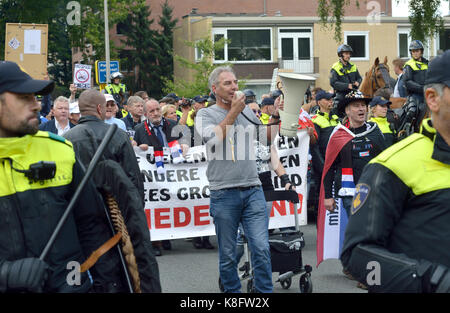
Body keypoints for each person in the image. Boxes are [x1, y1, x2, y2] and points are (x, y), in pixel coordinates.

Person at [0, 61, 129, 293]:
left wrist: (108, 284)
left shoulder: (60, 150)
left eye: (35, 97)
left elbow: (92, 226)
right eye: (23, 98)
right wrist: (5, 274)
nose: (36, 106)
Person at [340, 50, 450, 293]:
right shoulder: (391, 166)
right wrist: (429, 280)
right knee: (410, 109)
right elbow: (357, 257)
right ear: (433, 98)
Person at [63, 89, 161, 292]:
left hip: (83, 220)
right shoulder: (118, 135)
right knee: (126, 272)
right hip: (119, 217)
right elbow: (133, 180)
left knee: (94, 270)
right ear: (100, 108)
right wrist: (135, 217)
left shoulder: (67, 140)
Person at [195, 66, 277, 293]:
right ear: (214, 89)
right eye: (228, 83)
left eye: (235, 82)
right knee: (229, 254)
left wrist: (278, 116)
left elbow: (266, 138)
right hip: (224, 193)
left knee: (261, 248)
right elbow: (213, 140)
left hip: (253, 189)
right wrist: (234, 111)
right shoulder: (205, 114)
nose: (234, 87)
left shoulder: (247, 112)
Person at [134, 98, 188, 256]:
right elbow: (135, 149)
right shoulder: (139, 129)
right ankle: (156, 241)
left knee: (175, 202)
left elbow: (184, 140)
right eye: (151, 111)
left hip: (174, 172)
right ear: (145, 114)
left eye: (157, 109)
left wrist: (184, 146)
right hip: (153, 176)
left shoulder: (172, 125)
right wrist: (137, 147)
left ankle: (169, 236)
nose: (156, 113)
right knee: (155, 205)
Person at [310, 90, 339, 210]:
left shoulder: (337, 118)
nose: (331, 102)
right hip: (322, 167)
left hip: (336, 166)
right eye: (327, 99)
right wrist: (323, 167)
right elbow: (314, 148)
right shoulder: (315, 120)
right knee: (321, 199)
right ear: (319, 102)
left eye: (331, 99)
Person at [330, 44, 363, 117]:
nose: (348, 56)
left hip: (354, 93)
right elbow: (333, 83)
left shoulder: (353, 66)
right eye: (346, 54)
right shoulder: (335, 67)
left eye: (349, 54)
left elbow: (359, 78)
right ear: (341, 54)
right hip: (341, 94)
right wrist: (347, 86)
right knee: (337, 106)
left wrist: (358, 82)